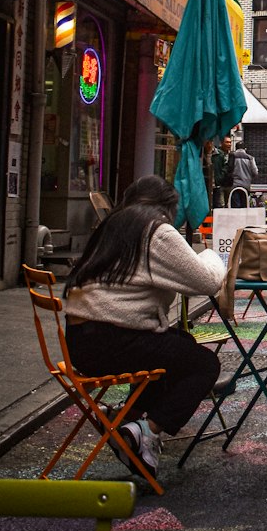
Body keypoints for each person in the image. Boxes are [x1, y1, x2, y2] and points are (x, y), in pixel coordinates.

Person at [63, 175, 225, 476]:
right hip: (114, 342)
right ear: (168, 207)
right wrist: (214, 255)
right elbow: (206, 281)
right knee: (204, 365)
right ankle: (147, 431)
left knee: (179, 347)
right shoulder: (156, 230)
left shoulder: (113, 225)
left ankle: (127, 419)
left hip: (80, 342)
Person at [229, 140, 259, 206]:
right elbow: (255, 172)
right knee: (244, 207)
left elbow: (228, 170)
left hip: (234, 185)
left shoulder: (232, 156)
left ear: (235, 148)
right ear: (245, 149)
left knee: (235, 207)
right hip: (246, 186)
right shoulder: (250, 158)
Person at [212, 134, 234, 207]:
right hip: (220, 184)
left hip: (229, 184)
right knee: (221, 204)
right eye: (227, 142)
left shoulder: (232, 155)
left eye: (230, 142)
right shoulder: (217, 154)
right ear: (222, 143)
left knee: (228, 205)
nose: (229, 144)